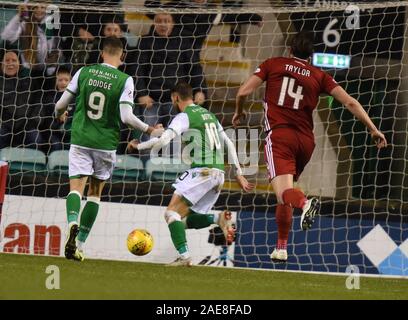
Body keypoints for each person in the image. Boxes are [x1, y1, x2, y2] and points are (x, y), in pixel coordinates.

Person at [233, 31, 387, 263]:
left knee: (285, 193)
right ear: (311, 55)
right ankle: (281, 247)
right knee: (285, 194)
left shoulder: (273, 64)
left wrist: (239, 111)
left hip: (280, 136)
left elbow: (243, 91)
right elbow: (350, 102)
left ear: (289, 49)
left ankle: (306, 203)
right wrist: (373, 129)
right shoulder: (319, 75)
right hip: (306, 142)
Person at [55, 37, 161, 261]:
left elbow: (60, 105)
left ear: (102, 53)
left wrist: (60, 115)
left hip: (81, 139)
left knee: (76, 189)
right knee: (94, 194)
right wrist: (149, 130)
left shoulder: (84, 71)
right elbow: (126, 116)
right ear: (121, 57)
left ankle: (72, 222)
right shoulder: (125, 79)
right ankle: (79, 244)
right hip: (106, 143)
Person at [130, 82, 254, 266]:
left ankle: (184, 257)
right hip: (218, 174)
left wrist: (137, 146)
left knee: (171, 214)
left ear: (175, 97)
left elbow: (164, 141)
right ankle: (217, 218)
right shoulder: (209, 115)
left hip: (202, 171)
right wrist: (238, 172)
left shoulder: (183, 116)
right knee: (185, 219)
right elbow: (228, 142)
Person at [0, 50, 42, 149]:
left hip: (27, 127)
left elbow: (38, 106)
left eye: (14, 60)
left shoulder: (30, 82)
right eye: (7, 60)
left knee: (35, 139)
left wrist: (31, 123)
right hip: (4, 126)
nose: (10, 63)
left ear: (19, 63)